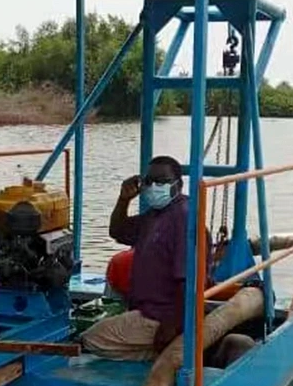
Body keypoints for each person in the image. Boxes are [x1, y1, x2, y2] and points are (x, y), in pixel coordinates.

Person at [83, 155, 257, 367]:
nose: (154, 186)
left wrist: (171, 325)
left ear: (178, 184)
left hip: (161, 315)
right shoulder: (156, 215)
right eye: (149, 181)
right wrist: (123, 199)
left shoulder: (183, 218)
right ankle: (175, 354)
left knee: (91, 340)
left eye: (162, 181)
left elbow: (189, 281)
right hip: (148, 310)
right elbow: (118, 231)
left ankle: (189, 356)